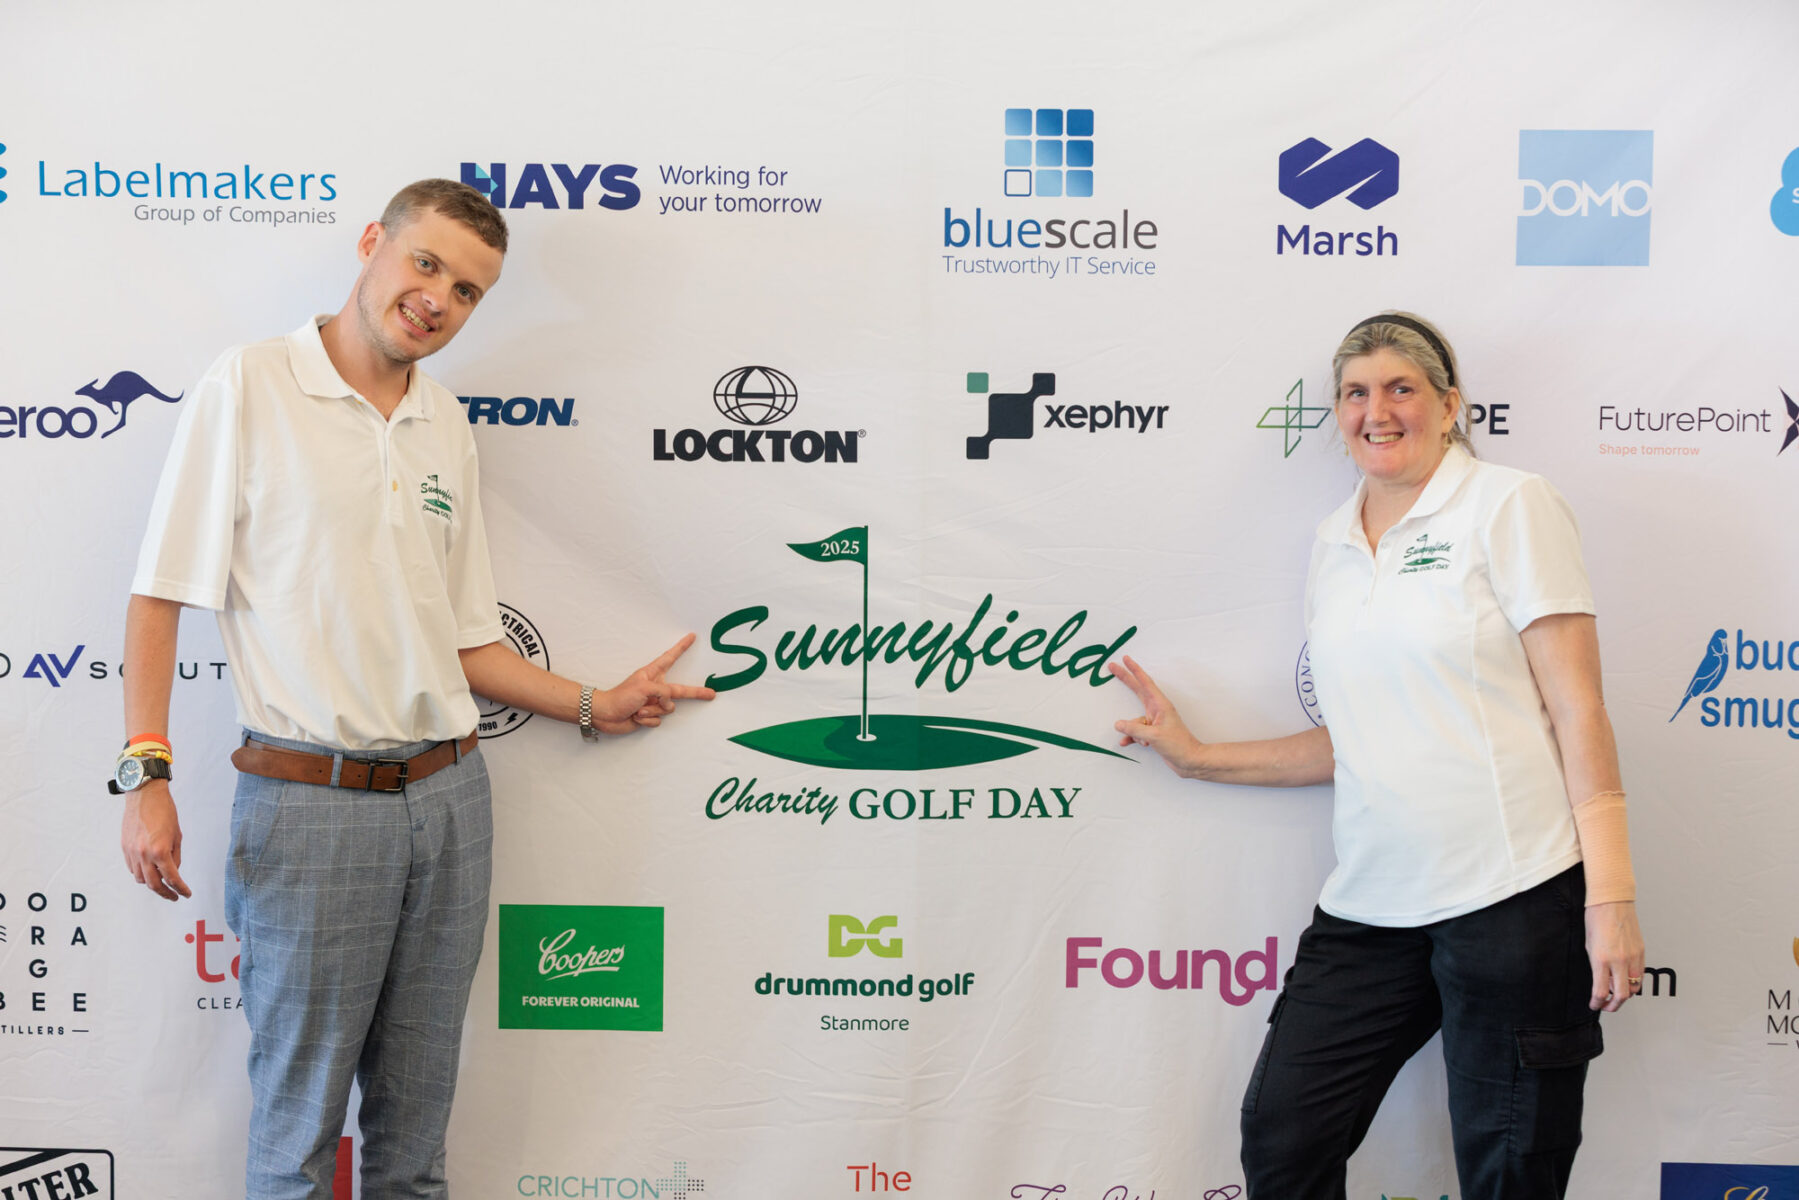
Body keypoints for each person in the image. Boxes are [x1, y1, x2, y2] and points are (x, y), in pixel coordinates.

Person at [113, 178, 714, 1200]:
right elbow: (159, 593)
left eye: (467, 290)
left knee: (415, 1140)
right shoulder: (250, 383)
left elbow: (464, 638)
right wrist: (147, 774)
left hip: (450, 799)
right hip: (311, 806)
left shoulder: (443, 421)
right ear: (371, 245)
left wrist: (590, 703)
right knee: (297, 1140)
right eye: (425, 264)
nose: (438, 298)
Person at [1112, 312, 1644, 1199]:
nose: (1376, 410)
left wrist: (1611, 897)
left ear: (1449, 405)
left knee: (1510, 1172)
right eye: (1355, 393)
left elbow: (1577, 707)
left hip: (1512, 897)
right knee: (1283, 1137)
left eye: (1401, 388)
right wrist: (1198, 757)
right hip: (1371, 903)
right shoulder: (1331, 541)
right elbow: (1360, 735)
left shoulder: (1508, 504)